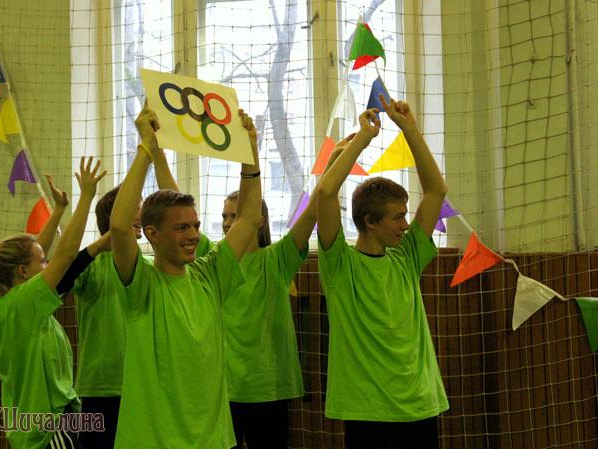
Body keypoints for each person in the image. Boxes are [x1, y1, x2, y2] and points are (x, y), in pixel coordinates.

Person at [51, 113, 213, 449]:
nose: (139, 224)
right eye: (134, 218)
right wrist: (102, 241)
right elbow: (58, 281)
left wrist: (156, 151)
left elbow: (177, 212)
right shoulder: (93, 265)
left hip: (142, 385)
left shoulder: (149, 267)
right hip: (98, 388)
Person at [109, 106, 262, 449]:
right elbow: (119, 226)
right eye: (181, 228)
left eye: (195, 225)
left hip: (214, 441)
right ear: (152, 233)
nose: (193, 235)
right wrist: (146, 148)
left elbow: (249, 220)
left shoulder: (209, 275)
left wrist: (249, 153)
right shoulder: (141, 285)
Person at [315, 96, 449, 449]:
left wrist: (409, 128)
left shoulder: (406, 257)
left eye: (406, 215)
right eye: (398, 217)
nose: (406, 224)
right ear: (370, 222)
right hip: (368, 413)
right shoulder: (340, 265)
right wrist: (363, 138)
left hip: (420, 406)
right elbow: (326, 193)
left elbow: (436, 190)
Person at [0, 157, 106, 449]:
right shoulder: (23, 304)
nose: (47, 265)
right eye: (42, 262)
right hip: (48, 431)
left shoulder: (14, 304)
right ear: (22, 272)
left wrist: (59, 210)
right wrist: (86, 198)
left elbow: (36, 250)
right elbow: (65, 256)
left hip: (42, 427)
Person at [220, 147, 343, 448]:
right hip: (223, 387)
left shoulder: (277, 259)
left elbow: (312, 212)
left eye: (235, 215)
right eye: (224, 216)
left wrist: (332, 164)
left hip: (269, 388)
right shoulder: (213, 261)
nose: (227, 222)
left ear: (258, 220)